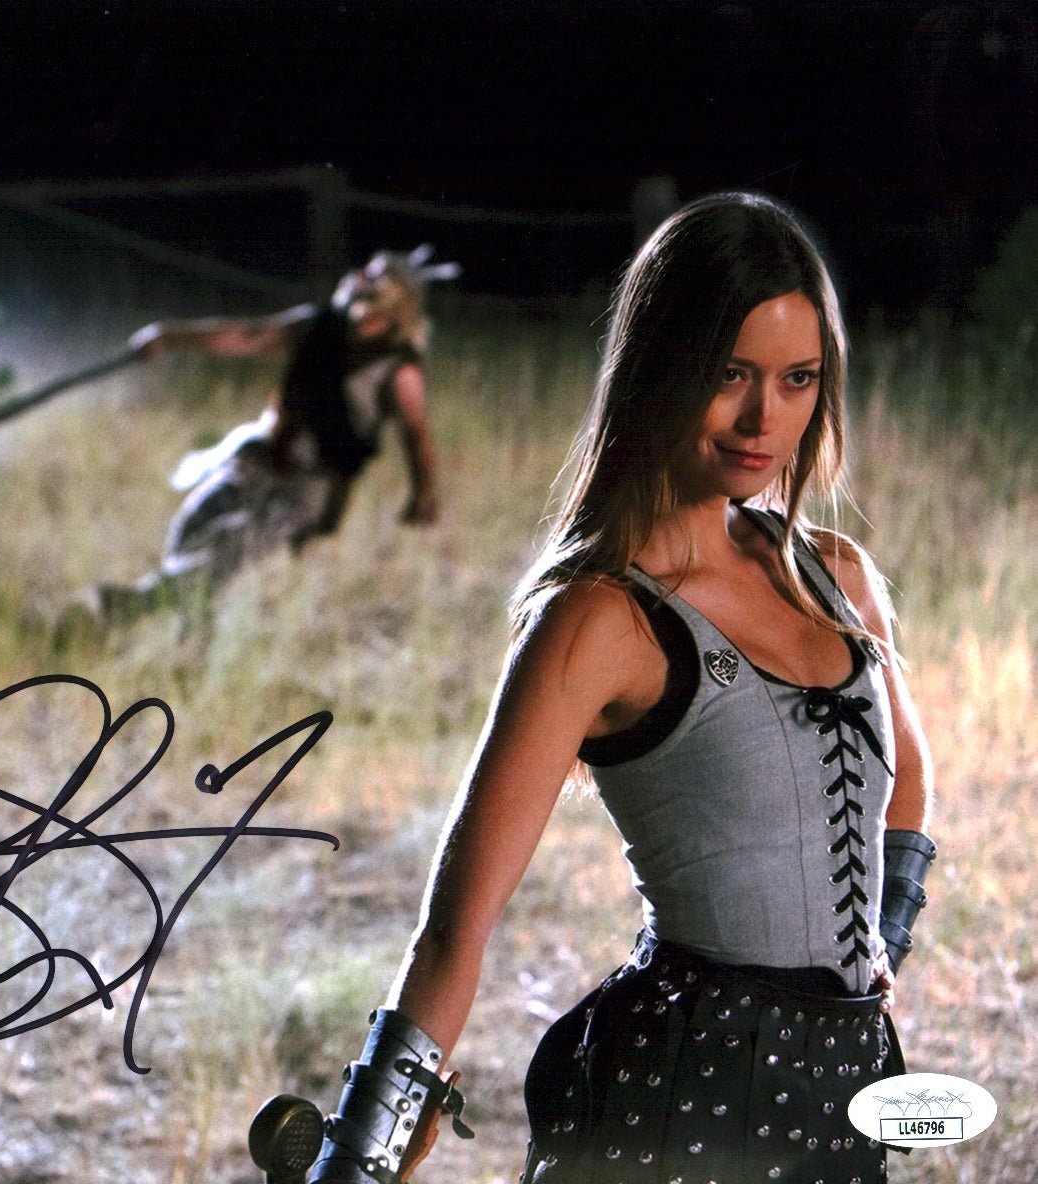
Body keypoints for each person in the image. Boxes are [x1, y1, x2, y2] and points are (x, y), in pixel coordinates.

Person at [303, 193, 937, 1184]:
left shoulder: (836, 576)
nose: (762, 418)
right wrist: (357, 1159)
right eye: (728, 373)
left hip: (839, 1099)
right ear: (661, 367)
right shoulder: (599, 618)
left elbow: (905, 784)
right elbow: (455, 927)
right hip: (670, 1103)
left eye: (797, 379)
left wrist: (881, 940)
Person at [85, 247, 452, 625]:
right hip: (258, 460)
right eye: (367, 272)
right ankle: (192, 634)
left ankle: (130, 606)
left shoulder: (399, 370)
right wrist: (172, 336)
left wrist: (423, 494)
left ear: (398, 298)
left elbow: (415, 433)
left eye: (377, 277)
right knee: (194, 528)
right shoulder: (318, 326)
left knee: (229, 547)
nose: (363, 279)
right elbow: (251, 335)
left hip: (307, 488)